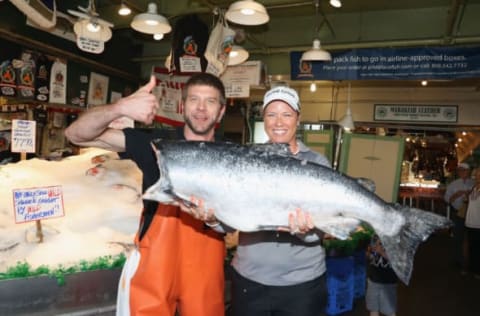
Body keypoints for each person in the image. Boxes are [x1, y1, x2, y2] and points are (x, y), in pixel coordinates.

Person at [64, 72, 227, 316]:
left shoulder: (232, 158)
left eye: (211, 101)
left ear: (221, 111)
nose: (201, 108)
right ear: (183, 106)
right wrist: (119, 108)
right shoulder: (155, 143)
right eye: (194, 100)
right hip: (155, 267)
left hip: (205, 270)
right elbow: (75, 134)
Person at [198, 86, 331, 316]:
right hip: (250, 281)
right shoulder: (245, 160)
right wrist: (212, 219)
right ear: (264, 119)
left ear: (298, 119)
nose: (278, 122)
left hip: (302, 286)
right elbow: (230, 221)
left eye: (286, 114)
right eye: (271, 114)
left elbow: (324, 228)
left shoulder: (318, 163)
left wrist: (305, 231)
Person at [444, 162, 474, 272]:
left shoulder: (474, 183)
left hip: (472, 214)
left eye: (464, 170)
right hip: (458, 213)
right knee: (458, 237)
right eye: (460, 170)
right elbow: (447, 199)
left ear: (468, 171)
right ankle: (457, 259)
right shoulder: (454, 184)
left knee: (471, 237)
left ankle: (470, 261)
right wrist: (456, 195)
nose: (461, 172)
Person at [365, 234, 398, 316]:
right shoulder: (375, 236)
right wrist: (370, 252)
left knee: (389, 310)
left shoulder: (397, 238)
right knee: (373, 308)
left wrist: (382, 252)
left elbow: (398, 260)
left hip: (388, 282)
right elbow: (370, 255)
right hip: (373, 279)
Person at [464, 168, 480, 279]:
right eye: (476, 175)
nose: (477, 177)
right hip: (470, 222)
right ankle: (472, 269)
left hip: (479, 223)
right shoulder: (474, 188)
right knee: (472, 247)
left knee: (478, 248)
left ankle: (477, 271)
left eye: (479, 175)